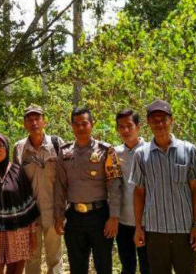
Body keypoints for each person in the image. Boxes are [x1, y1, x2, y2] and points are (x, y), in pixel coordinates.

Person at [131, 99, 196, 274]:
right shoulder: (141, 155)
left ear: (171, 120)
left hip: (184, 230)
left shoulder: (188, 150)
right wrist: (138, 227)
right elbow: (139, 192)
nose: (160, 124)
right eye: (155, 120)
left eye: (164, 119)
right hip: (155, 231)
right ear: (148, 123)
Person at [54, 107, 124, 274]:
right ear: (71, 126)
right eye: (76, 124)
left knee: (103, 264)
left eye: (84, 123)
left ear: (92, 124)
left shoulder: (106, 151)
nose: (80, 127)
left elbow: (115, 186)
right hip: (74, 217)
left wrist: (114, 217)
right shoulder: (64, 152)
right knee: (77, 266)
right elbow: (60, 187)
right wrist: (59, 216)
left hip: (99, 216)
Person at [0, 134, 40, 274]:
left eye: (1, 146)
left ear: (7, 149)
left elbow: (28, 205)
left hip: (18, 232)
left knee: (16, 270)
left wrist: (32, 234)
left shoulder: (18, 172)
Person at [12, 105, 64, 274]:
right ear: (24, 123)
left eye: (37, 119)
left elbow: (65, 179)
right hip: (30, 213)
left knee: (55, 257)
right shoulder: (19, 148)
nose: (34, 122)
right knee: (31, 257)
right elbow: (15, 183)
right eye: (29, 119)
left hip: (53, 209)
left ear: (44, 121)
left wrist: (63, 211)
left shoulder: (57, 144)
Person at [114, 109, 149, 274]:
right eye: (121, 127)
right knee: (127, 266)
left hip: (148, 221)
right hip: (123, 220)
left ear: (138, 127)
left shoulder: (151, 151)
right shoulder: (114, 153)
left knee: (147, 267)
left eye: (129, 126)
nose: (126, 130)